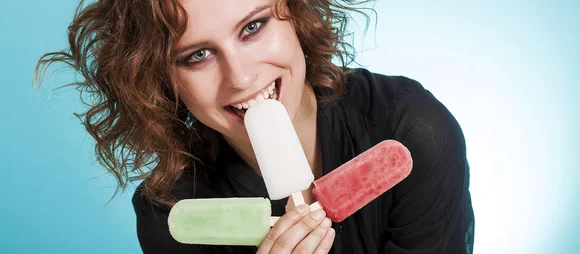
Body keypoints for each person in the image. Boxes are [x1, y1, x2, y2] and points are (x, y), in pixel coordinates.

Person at [35, 0, 475, 253]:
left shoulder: (409, 130)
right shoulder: (171, 214)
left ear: (295, 13)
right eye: (197, 55)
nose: (242, 78)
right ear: (162, 82)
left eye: (253, 26)